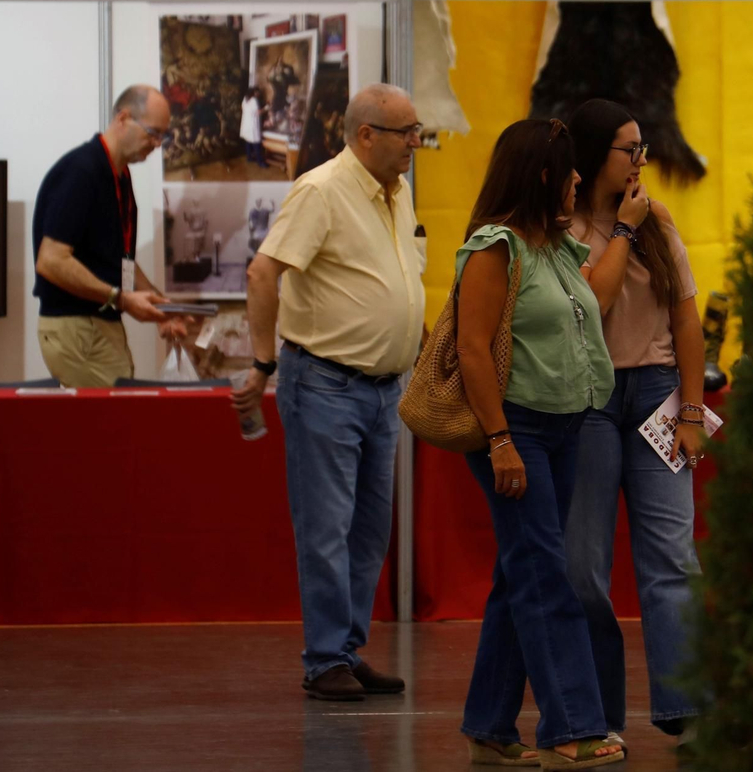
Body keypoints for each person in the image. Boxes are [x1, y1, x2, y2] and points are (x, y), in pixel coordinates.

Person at [231, 83, 425, 702]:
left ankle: (343, 649)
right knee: (326, 528)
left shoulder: (397, 192)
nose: (416, 144)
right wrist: (263, 361)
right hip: (326, 384)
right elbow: (264, 272)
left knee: (369, 530)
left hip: (382, 389)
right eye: (406, 133)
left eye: (417, 131)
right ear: (365, 135)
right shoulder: (320, 189)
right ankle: (323, 660)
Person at [454, 118, 624, 769]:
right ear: (543, 174)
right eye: (571, 171)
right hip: (516, 428)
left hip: (565, 426)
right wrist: (499, 440)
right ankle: (571, 727)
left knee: (521, 570)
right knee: (546, 574)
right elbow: (473, 349)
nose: (581, 182)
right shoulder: (494, 247)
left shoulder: (556, 247)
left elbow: (593, 302)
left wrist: (629, 232)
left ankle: (491, 724)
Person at [562, 99, 708, 747]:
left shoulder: (659, 219)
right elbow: (594, 300)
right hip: (587, 397)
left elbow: (687, 320)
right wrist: (620, 229)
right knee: (584, 565)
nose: (641, 161)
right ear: (597, 156)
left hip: (655, 393)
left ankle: (688, 705)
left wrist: (694, 410)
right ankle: (598, 718)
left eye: (643, 149)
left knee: (672, 556)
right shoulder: (559, 226)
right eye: (631, 149)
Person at [33, 84, 189, 387]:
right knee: (110, 428)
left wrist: (163, 308)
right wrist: (120, 298)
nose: (157, 144)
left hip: (96, 326)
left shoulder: (118, 174)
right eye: (152, 132)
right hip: (77, 328)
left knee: (117, 422)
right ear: (123, 118)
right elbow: (50, 261)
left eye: (163, 136)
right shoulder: (81, 171)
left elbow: (119, 261)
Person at [240, 87, 264, 168]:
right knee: (256, 143)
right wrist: (267, 108)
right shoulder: (254, 100)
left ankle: (249, 158)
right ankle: (260, 162)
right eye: (257, 92)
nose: (258, 94)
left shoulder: (245, 99)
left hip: (246, 123)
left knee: (248, 141)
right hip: (252, 124)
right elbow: (258, 112)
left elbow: (242, 108)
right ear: (254, 92)